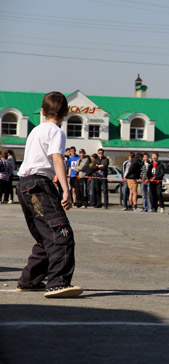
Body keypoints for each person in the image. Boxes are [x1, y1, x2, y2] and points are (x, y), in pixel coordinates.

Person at [15, 91, 83, 298]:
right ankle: (58, 282)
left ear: (43, 111)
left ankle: (29, 280)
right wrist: (66, 189)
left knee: (45, 236)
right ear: (66, 112)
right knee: (61, 233)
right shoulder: (56, 132)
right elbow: (57, 159)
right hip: (39, 184)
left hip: (24, 184)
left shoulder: (35, 130)